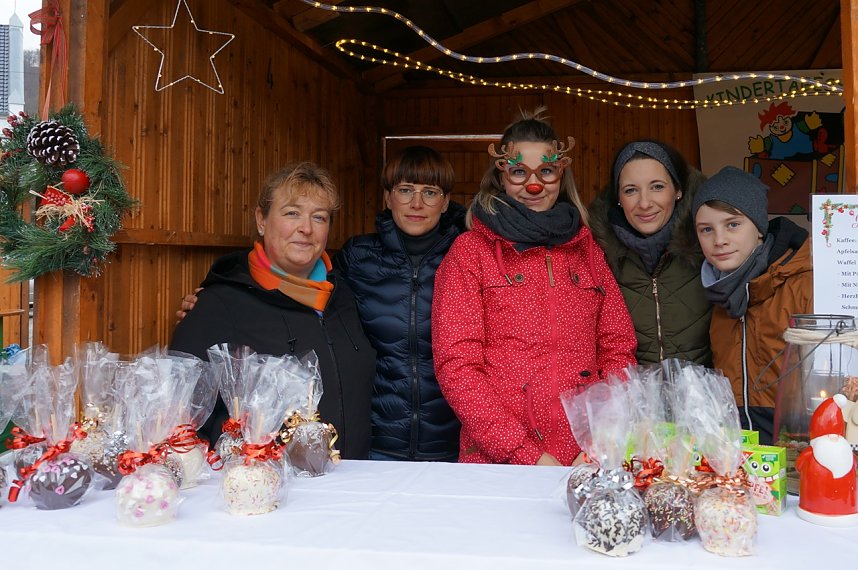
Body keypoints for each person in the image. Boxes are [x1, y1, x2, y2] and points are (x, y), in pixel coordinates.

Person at [431, 108, 637, 466]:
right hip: (499, 462)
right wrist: (525, 454)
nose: (534, 185)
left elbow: (618, 347)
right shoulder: (471, 252)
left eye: (546, 171)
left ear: (561, 173)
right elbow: (457, 366)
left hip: (584, 459)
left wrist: (601, 441)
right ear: (501, 177)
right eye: (518, 172)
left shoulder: (586, 250)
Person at [170, 162, 376, 459]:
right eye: (292, 213)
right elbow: (183, 420)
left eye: (319, 217)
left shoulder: (343, 297)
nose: (306, 228)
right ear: (261, 220)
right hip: (266, 491)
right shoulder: (220, 304)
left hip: (354, 483)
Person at [333, 146, 465, 461]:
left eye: (430, 192)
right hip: (375, 442)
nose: (416, 203)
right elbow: (299, 292)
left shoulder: (466, 256)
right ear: (388, 197)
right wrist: (221, 288)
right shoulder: (357, 257)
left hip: (453, 444)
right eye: (405, 190)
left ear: (445, 202)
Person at [692, 165, 812, 445]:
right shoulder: (720, 292)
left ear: (758, 227)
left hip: (799, 449)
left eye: (733, 224)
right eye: (706, 229)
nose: (719, 240)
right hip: (742, 454)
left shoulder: (804, 284)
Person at [589, 140, 712, 366]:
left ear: (677, 190)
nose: (644, 203)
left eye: (657, 186)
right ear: (618, 198)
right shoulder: (597, 255)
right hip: (631, 396)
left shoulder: (709, 244)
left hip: (702, 394)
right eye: (631, 190)